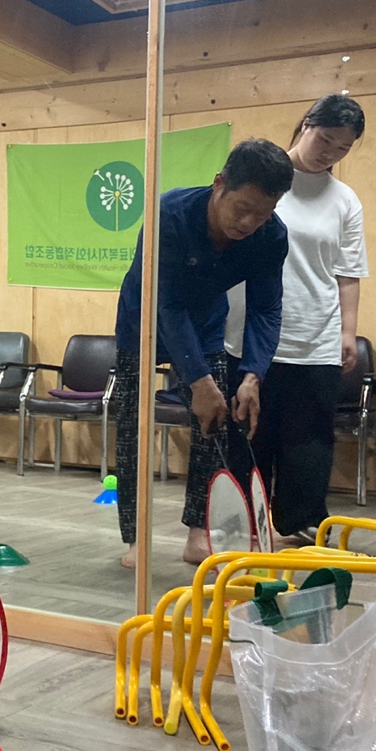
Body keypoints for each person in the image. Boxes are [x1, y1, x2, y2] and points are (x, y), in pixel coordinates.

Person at [112, 139, 293, 569]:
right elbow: (167, 305)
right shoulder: (170, 215)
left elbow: (266, 308)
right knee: (133, 427)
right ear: (219, 184)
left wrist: (252, 375)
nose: (249, 223)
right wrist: (198, 381)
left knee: (215, 423)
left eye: (263, 213)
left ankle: (199, 533)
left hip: (207, 323)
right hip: (144, 320)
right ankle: (136, 538)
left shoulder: (271, 235)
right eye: (242, 208)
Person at [225, 95, 367, 540]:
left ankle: (302, 525)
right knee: (249, 436)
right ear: (306, 125)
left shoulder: (345, 199)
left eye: (342, 148)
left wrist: (347, 331)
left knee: (309, 442)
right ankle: (244, 527)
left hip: (316, 335)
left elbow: (348, 272)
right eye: (325, 139)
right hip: (251, 333)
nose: (330, 153)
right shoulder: (264, 178)